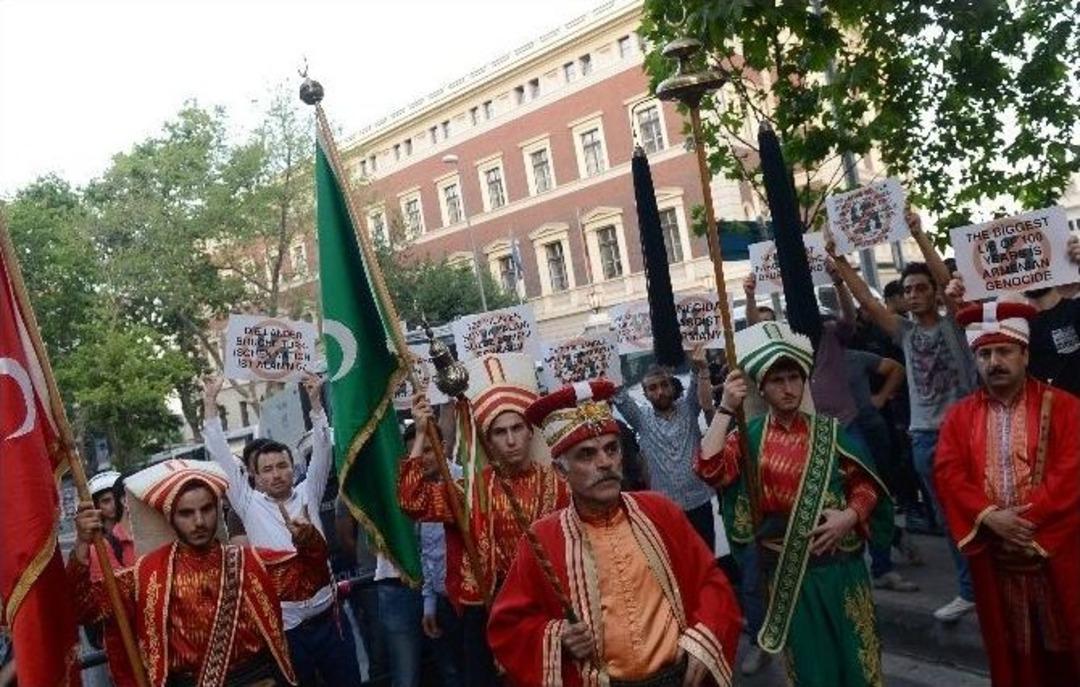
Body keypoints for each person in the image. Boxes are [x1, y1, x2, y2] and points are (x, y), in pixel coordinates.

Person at [489, 379, 742, 687]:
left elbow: (711, 583)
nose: (605, 462)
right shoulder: (543, 538)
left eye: (611, 449)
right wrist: (559, 635)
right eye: (586, 454)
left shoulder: (660, 511)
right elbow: (507, 628)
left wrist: (705, 637)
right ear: (560, 471)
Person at [697, 321, 893, 687]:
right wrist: (725, 408)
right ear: (762, 387)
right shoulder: (749, 437)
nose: (788, 388)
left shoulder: (830, 431)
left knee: (860, 666)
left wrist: (849, 517)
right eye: (777, 381)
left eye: (794, 378)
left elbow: (867, 487)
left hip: (841, 569)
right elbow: (709, 468)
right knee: (811, 672)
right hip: (789, 576)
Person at [831, 208, 980, 622]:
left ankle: (994, 582)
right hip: (926, 439)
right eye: (908, 289)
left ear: (935, 293)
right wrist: (839, 263)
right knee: (950, 517)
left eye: (920, 288)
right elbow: (866, 301)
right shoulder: (906, 333)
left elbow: (952, 285)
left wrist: (919, 233)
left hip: (967, 432)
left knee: (982, 511)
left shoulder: (956, 326)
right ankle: (969, 590)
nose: (912, 294)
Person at [68, 459, 330, 686]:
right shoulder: (147, 574)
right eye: (186, 513)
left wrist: (308, 541)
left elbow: (309, 581)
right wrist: (81, 546)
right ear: (170, 517)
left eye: (206, 509)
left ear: (218, 509)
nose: (199, 522)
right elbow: (86, 608)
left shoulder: (250, 562)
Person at [398, 352, 570, 687]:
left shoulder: (558, 486)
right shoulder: (471, 491)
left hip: (549, 608)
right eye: (499, 432)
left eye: (517, 428)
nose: (510, 440)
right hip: (490, 613)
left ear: (530, 433)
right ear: (488, 440)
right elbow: (412, 500)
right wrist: (420, 434)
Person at [934, 300, 1080, 686]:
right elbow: (948, 472)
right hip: (996, 559)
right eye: (984, 354)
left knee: (1067, 644)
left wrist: (1026, 525)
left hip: (1056, 552)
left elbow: (1072, 472)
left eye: (1004, 351)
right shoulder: (959, 416)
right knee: (1014, 651)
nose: (994, 362)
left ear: (1025, 354)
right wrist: (989, 517)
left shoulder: (1066, 408)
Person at [203, 374, 362, 686]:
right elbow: (221, 454)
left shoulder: (308, 492)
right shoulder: (247, 503)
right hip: (286, 631)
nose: (276, 475)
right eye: (267, 469)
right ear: (254, 476)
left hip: (329, 621)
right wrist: (210, 404)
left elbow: (322, 450)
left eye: (282, 466)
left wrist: (316, 402)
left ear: (293, 468)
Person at [613, 344, 716, 549]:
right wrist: (610, 367)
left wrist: (697, 360)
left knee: (707, 557)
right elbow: (620, 395)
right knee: (677, 565)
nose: (660, 391)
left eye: (663, 385)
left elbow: (697, 379)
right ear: (645, 393)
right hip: (665, 509)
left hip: (699, 502)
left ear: (672, 386)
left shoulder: (688, 409)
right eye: (652, 388)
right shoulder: (641, 419)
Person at [85, 470, 139, 686]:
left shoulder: (161, 534)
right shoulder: (100, 549)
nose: (112, 505)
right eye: (105, 500)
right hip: (131, 662)